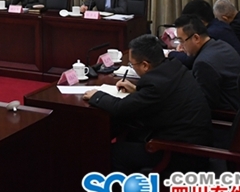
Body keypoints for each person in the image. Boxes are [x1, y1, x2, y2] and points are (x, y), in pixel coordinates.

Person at [83, 35, 212, 173]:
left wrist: (97, 96)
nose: (133, 67)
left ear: (145, 65)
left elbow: (120, 108)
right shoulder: (174, 67)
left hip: (180, 154)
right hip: (192, 144)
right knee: (130, 133)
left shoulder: (155, 84)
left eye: (133, 65)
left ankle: (121, 187)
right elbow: (162, 96)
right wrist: (137, 91)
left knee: (114, 152)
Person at [173, 14, 240, 112]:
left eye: (182, 41)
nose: (180, 46)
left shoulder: (204, 63)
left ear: (196, 38)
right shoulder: (220, 45)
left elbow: (204, 104)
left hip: (225, 115)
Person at [174, 0, 240, 64]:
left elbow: (190, 61)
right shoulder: (219, 25)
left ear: (200, 21)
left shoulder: (211, 33)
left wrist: (172, 54)